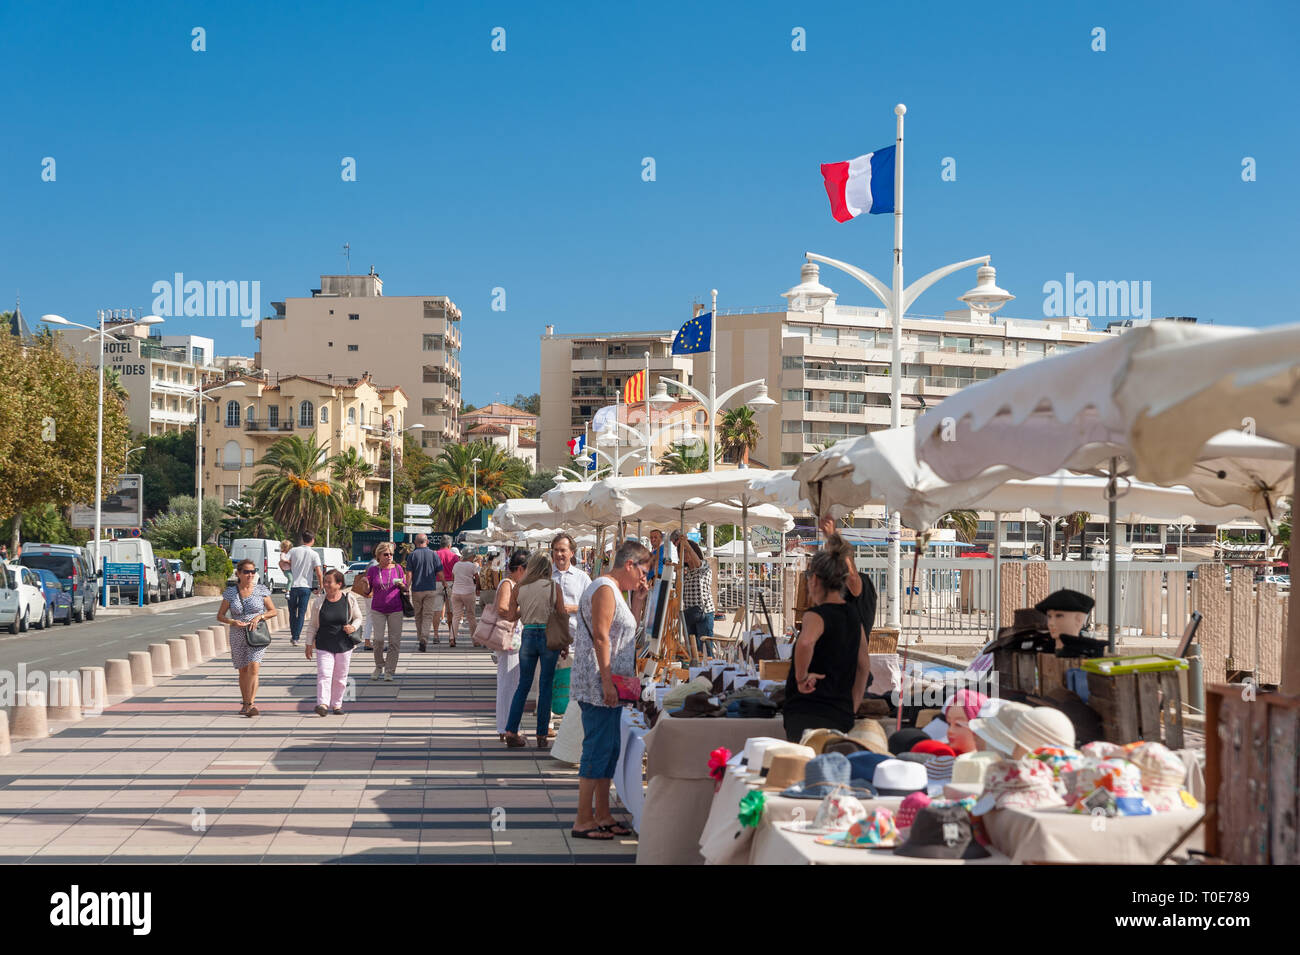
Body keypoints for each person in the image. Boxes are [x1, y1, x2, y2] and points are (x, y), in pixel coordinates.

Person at [570, 539, 650, 840]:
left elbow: (624, 632)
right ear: (629, 565)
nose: (643, 578)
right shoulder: (604, 588)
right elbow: (602, 637)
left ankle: (602, 814)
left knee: (609, 750)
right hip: (599, 685)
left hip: (610, 684)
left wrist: (638, 603)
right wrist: (606, 682)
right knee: (597, 749)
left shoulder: (615, 590)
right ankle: (583, 819)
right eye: (643, 571)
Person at [783, 535, 871, 743]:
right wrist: (853, 705)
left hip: (807, 710)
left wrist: (801, 678)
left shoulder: (816, 615)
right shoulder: (853, 616)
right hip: (841, 713)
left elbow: (806, 642)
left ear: (814, 580)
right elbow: (864, 666)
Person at [504, 552, 568, 749]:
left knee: (523, 685)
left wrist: (526, 609)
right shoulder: (554, 587)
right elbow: (562, 615)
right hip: (549, 636)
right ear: (547, 567)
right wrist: (564, 643)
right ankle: (541, 735)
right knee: (546, 686)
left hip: (529, 635)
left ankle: (511, 730)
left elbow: (510, 616)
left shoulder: (519, 587)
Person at [217, 558, 278, 717]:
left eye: (253, 571)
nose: (250, 575)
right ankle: (245, 703)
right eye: (246, 572)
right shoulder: (231, 593)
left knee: (254, 667)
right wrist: (232, 622)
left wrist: (260, 617)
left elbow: (273, 611)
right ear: (238, 573)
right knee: (243, 670)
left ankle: (251, 704)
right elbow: (220, 615)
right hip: (237, 634)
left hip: (256, 633)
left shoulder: (261, 590)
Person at [305, 569, 364, 715]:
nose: (325, 585)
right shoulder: (319, 602)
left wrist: (353, 627)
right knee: (324, 674)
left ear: (339, 584)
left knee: (340, 677)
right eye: (324, 582)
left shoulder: (349, 599)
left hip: (344, 645)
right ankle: (322, 704)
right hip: (323, 644)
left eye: (329, 582)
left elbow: (358, 617)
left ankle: (337, 704)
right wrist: (308, 644)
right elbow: (312, 625)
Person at [492, 551, 529, 740]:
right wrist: (524, 609)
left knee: (511, 683)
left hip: (513, 639)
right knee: (508, 684)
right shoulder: (508, 583)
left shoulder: (514, 584)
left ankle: (507, 726)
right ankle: (506, 727)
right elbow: (502, 608)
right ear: (520, 569)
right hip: (509, 639)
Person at [365, 542, 408, 682]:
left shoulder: (398, 568)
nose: (389, 556)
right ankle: (379, 666)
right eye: (386, 554)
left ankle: (389, 670)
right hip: (378, 609)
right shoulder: (373, 570)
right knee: (378, 640)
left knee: (394, 641)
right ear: (379, 556)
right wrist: (365, 584)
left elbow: (406, 587)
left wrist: (402, 585)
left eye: (391, 554)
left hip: (396, 609)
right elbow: (367, 591)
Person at [280, 531, 323, 647]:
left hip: (292, 587)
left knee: (292, 612)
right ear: (312, 540)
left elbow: (282, 561)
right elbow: (319, 572)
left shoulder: (293, 551)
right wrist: (321, 587)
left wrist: (285, 572)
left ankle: (293, 635)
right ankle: (296, 638)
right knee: (302, 613)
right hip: (305, 587)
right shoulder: (314, 554)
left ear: (303, 539)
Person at [405, 533, 441, 651]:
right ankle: (424, 638)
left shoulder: (412, 555)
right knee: (428, 615)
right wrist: (445, 583)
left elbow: (409, 574)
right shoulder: (434, 554)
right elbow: (440, 572)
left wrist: (407, 587)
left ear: (415, 542)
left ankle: (420, 637)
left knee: (418, 615)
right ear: (427, 542)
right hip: (430, 589)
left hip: (416, 590)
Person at [681, 539, 716, 656]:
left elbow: (698, 564)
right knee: (693, 649)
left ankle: (709, 665)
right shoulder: (685, 571)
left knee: (705, 649)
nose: (684, 555)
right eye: (682, 552)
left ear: (694, 551)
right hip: (690, 613)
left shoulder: (704, 565)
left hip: (704, 612)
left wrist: (687, 544)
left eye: (686, 551)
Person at [450, 550, 481, 645]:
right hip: (468, 592)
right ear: (470, 556)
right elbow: (477, 578)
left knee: (456, 616)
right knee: (471, 616)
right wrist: (478, 588)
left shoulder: (456, 565)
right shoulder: (472, 566)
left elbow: (453, 578)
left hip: (456, 592)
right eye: (473, 557)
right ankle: (475, 640)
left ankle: (452, 638)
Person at [434, 535, 461, 641]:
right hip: (450, 584)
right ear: (449, 545)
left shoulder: (435, 554)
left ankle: (436, 634)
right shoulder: (454, 556)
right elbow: (457, 572)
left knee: (437, 610)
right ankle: (451, 635)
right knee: (451, 610)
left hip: (436, 582)